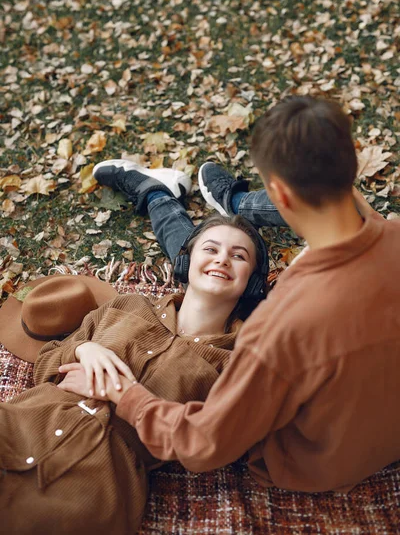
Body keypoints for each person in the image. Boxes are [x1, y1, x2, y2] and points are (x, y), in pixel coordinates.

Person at [61, 95, 400, 494]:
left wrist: (125, 393)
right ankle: (199, 201)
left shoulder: (271, 332)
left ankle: (161, 196)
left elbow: (202, 444)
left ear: (279, 197)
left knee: (212, 261)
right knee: (216, 258)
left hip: (314, 463)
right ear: (352, 167)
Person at [0, 176, 269, 534]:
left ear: (250, 279)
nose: (222, 259)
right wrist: (83, 347)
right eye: (210, 249)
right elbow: (47, 360)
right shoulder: (127, 305)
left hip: (97, 476)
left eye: (239, 256)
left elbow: (212, 442)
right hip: (25, 422)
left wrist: (126, 396)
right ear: (187, 260)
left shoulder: (236, 363)